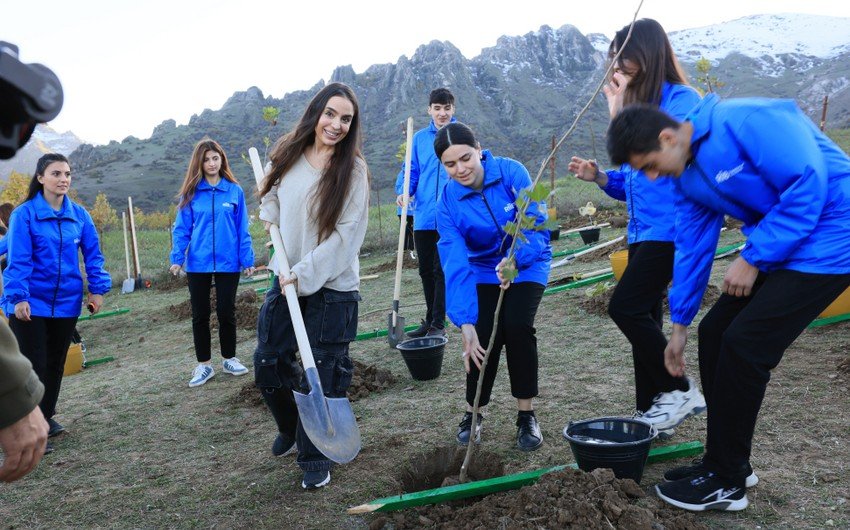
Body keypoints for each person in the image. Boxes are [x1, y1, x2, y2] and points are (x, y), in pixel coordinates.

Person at [607, 96, 850, 512]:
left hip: (834, 233)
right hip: (789, 240)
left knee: (746, 343)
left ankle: (726, 481)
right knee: (715, 331)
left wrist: (753, 257)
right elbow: (692, 245)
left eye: (648, 164)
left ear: (668, 137)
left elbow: (808, 182)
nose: (650, 177)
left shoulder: (747, 119)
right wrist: (679, 326)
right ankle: (725, 460)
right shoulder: (684, 176)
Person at [568, 18, 705, 439]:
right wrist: (602, 179)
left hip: (673, 228)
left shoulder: (682, 101)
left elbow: (662, 161)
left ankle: (679, 390)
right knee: (644, 318)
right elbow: (637, 178)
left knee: (623, 307)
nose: (617, 68)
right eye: (614, 60)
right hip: (644, 231)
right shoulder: (638, 105)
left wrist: (621, 117)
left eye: (623, 59)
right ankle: (652, 411)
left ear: (646, 57)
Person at [255, 82, 369, 490]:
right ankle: (290, 424)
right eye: (330, 114)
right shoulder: (287, 154)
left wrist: (304, 272)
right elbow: (272, 201)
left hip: (332, 285)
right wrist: (269, 210)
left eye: (345, 119)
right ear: (316, 113)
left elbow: (346, 237)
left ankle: (314, 456)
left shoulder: (352, 171)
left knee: (321, 371)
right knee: (268, 362)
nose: (336, 125)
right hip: (284, 279)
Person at [435, 122, 552, 451]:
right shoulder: (448, 202)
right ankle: (473, 413)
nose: (460, 169)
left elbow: (538, 223)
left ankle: (526, 416)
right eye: (450, 164)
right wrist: (465, 322)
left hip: (529, 261)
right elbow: (455, 262)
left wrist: (517, 259)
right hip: (483, 269)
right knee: (482, 336)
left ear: (479, 149)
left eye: (465, 158)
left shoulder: (512, 172)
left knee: (516, 325)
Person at [3, 153, 111, 455]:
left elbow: (94, 256)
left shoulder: (80, 215)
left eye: (67, 173)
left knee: (55, 363)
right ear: (40, 178)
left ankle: (45, 419)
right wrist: (19, 297)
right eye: (56, 173)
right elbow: (19, 259)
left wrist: (97, 290)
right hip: (30, 304)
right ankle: (25, 428)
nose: (63, 179)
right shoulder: (23, 215)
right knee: (31, 365)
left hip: (66, 303)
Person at [170, 138, 255, 387]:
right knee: (200, 315)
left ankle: (229, 358)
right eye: (206, 159)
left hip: (229, 263)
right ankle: (204, 365)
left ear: (222, 160)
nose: (211, 163)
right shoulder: (191, 194)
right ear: (199, 162)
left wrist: (246, 259)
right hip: (198, 263)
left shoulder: (234, 190)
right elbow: (181, 229)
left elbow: (242, 229)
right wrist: (177, 258)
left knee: (227, 312)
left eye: (215, 158)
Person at [395, 88, 457, 338]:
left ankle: (439, 324)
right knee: (425, 270)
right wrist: (404, 190)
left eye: (447, 108)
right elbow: (411, 169)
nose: (442, 113)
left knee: (441, 268)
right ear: (429, 110)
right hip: (423, 215)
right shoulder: (419, 139)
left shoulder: (459, 134)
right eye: (437, 108)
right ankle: (431, 319)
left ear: (453, 110)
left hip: (451, 214)